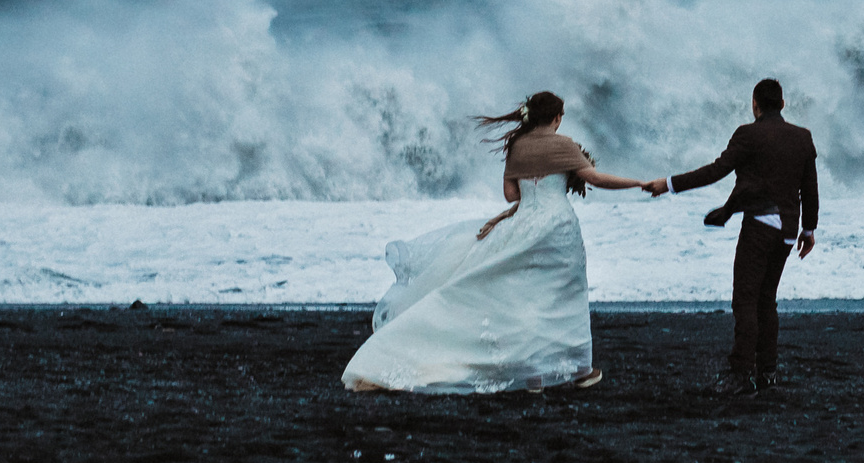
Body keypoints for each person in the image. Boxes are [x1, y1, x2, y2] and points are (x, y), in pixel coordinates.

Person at [343, 91, 665, 393]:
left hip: (523, 224)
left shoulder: (518, 147)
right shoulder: (565, 145)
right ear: (556, 118)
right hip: (558, 227)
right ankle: (581, 371)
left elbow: (511, 195)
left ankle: (534, 374)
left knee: (522, 296)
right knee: (564, 295)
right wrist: (638, 182)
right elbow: (596, 179)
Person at [647, 77, 818, 395]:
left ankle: (742, 374)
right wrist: (809, 230)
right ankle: (767, 373)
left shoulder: (748, 134)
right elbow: (809, 187)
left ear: (755, 105)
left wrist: (669, 184)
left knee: (745, 301)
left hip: (760, 226)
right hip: (788, 231)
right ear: (782, 104)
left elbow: (716, 170)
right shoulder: (802, 137)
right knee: (767, 302)